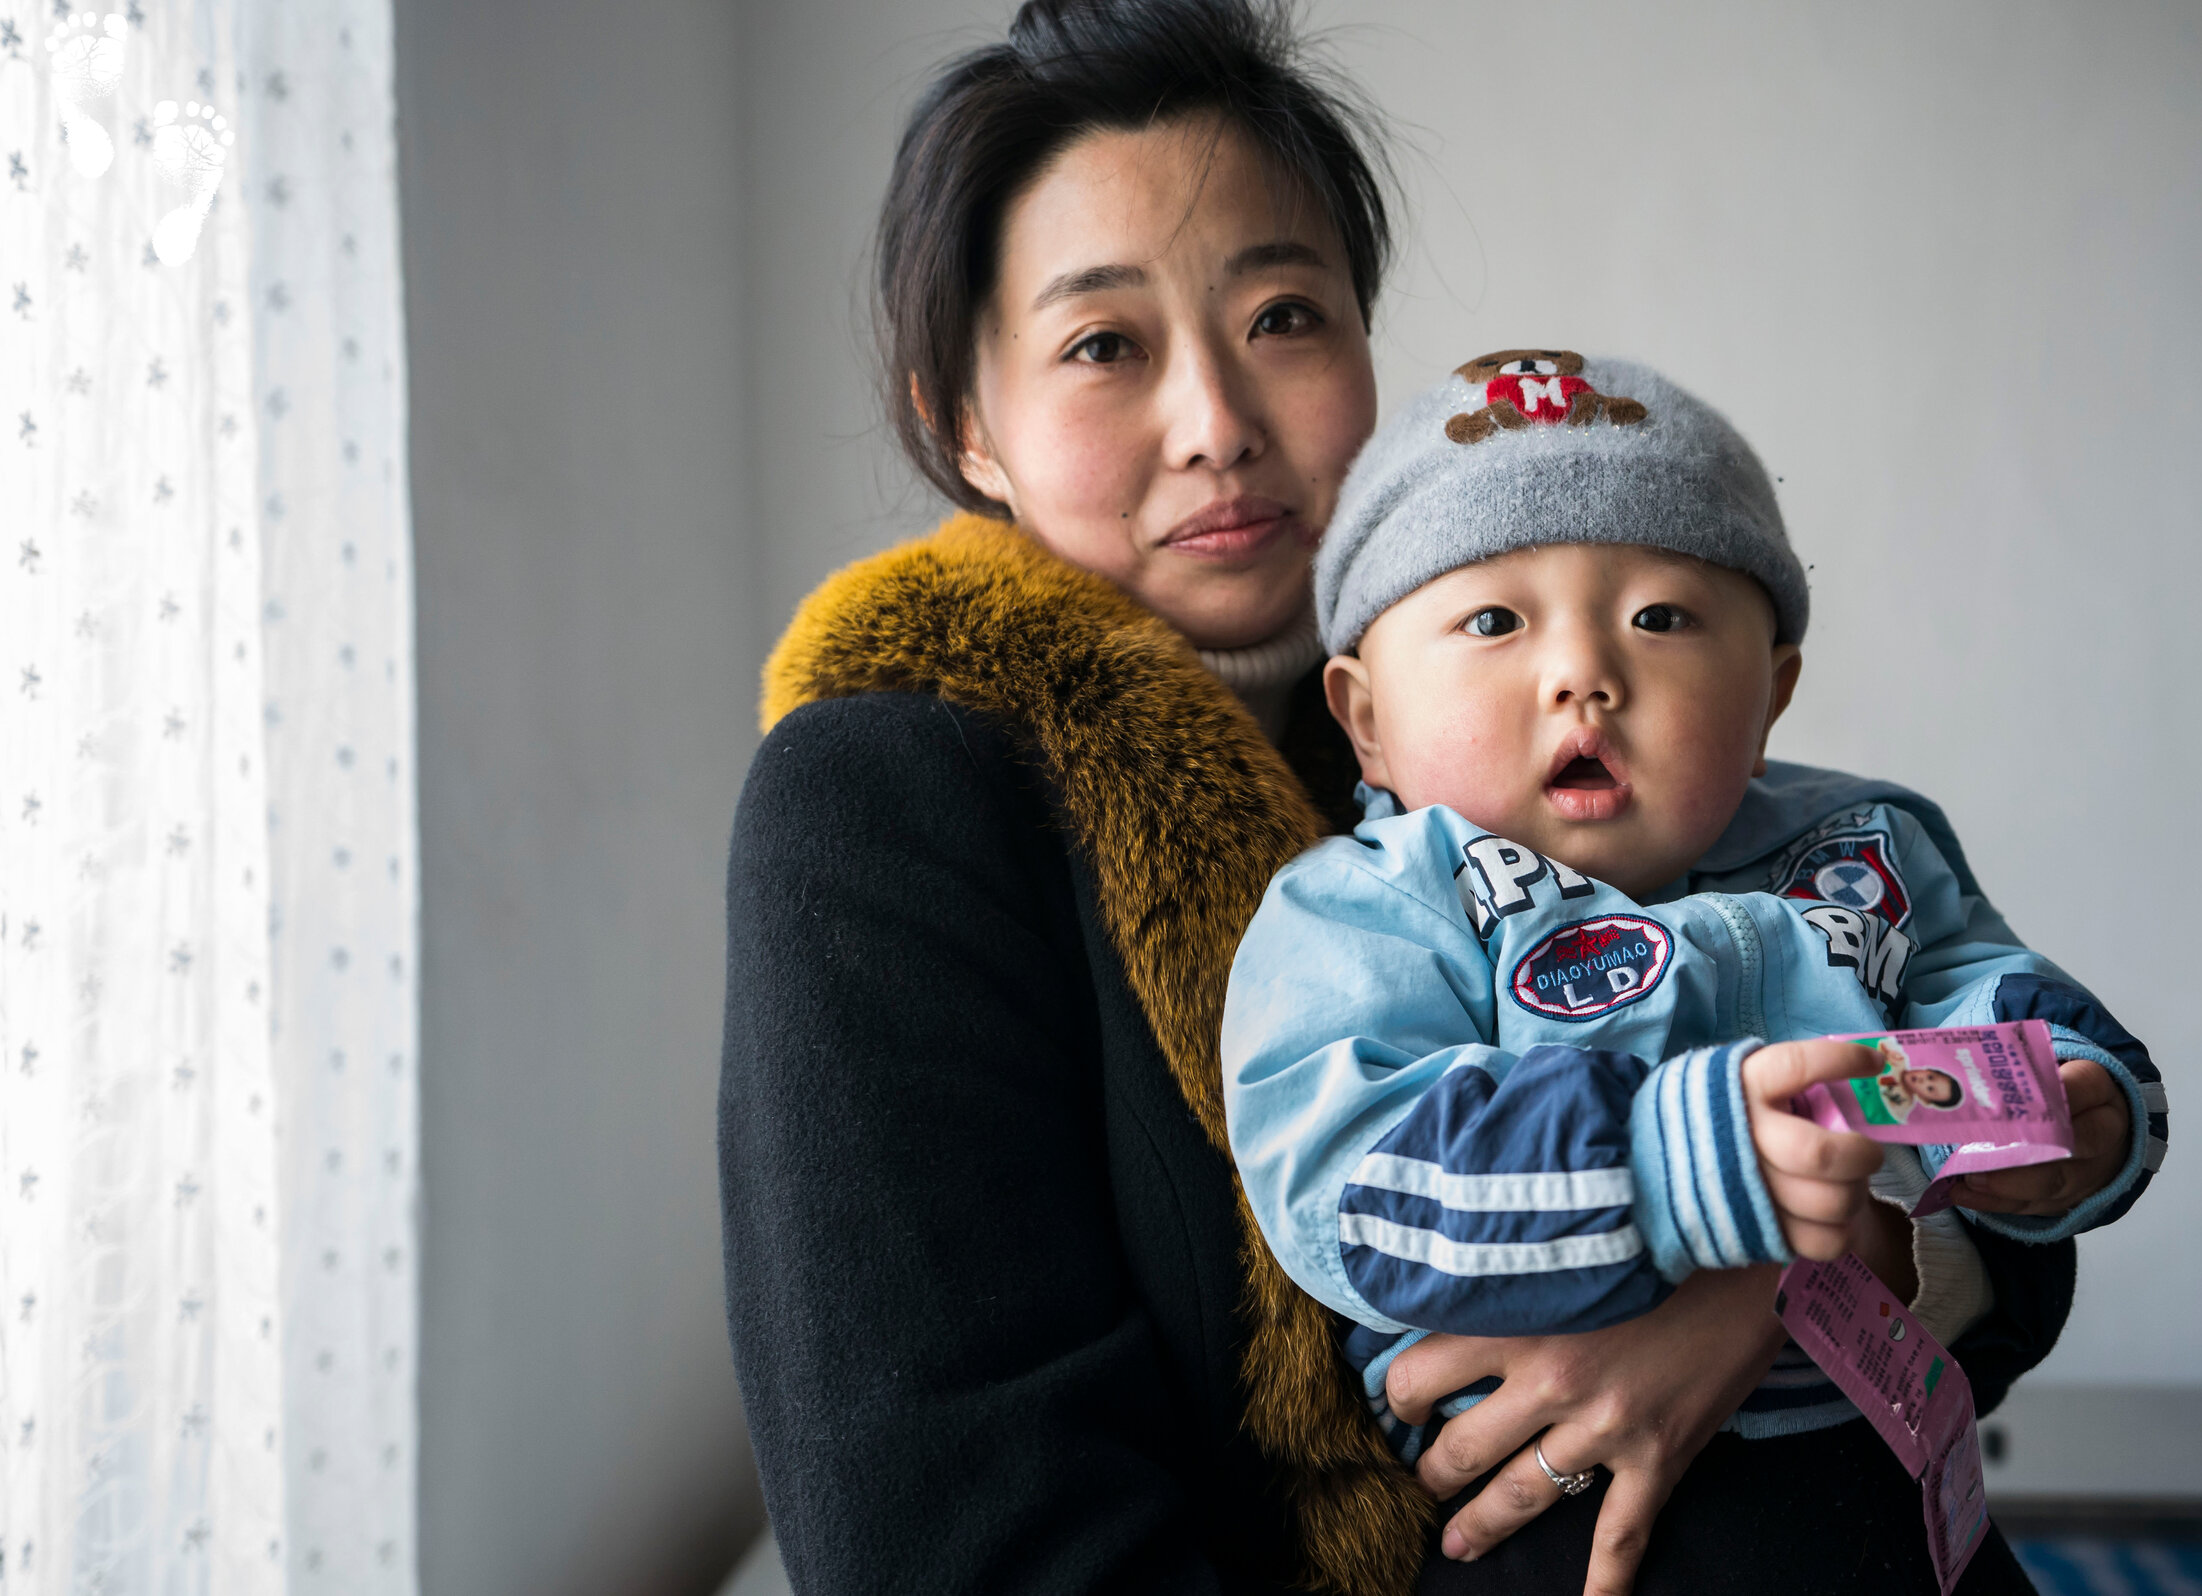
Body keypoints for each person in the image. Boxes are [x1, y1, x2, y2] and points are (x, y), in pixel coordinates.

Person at [716, 4, 2093, 1593]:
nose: (1219, 424)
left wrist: (1769, 1298)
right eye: (1105, 344)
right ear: (969, 423)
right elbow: (951, 1532)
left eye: (1285, 316)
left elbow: (1992, 1159)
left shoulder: (1491, 721)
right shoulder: (888, 793)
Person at [1222, 354, 2172, 1592]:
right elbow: (1354, 1177)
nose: (1584, 675)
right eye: (1494, 621)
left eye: (1660, 617)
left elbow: (1984, 1001)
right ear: (1364, 716)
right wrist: (1672, 1163)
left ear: (1771, 690)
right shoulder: (1374, 906)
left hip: (1889, 1472)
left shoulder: (1864, 848)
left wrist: (2075, 1107)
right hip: (1564, 1522)